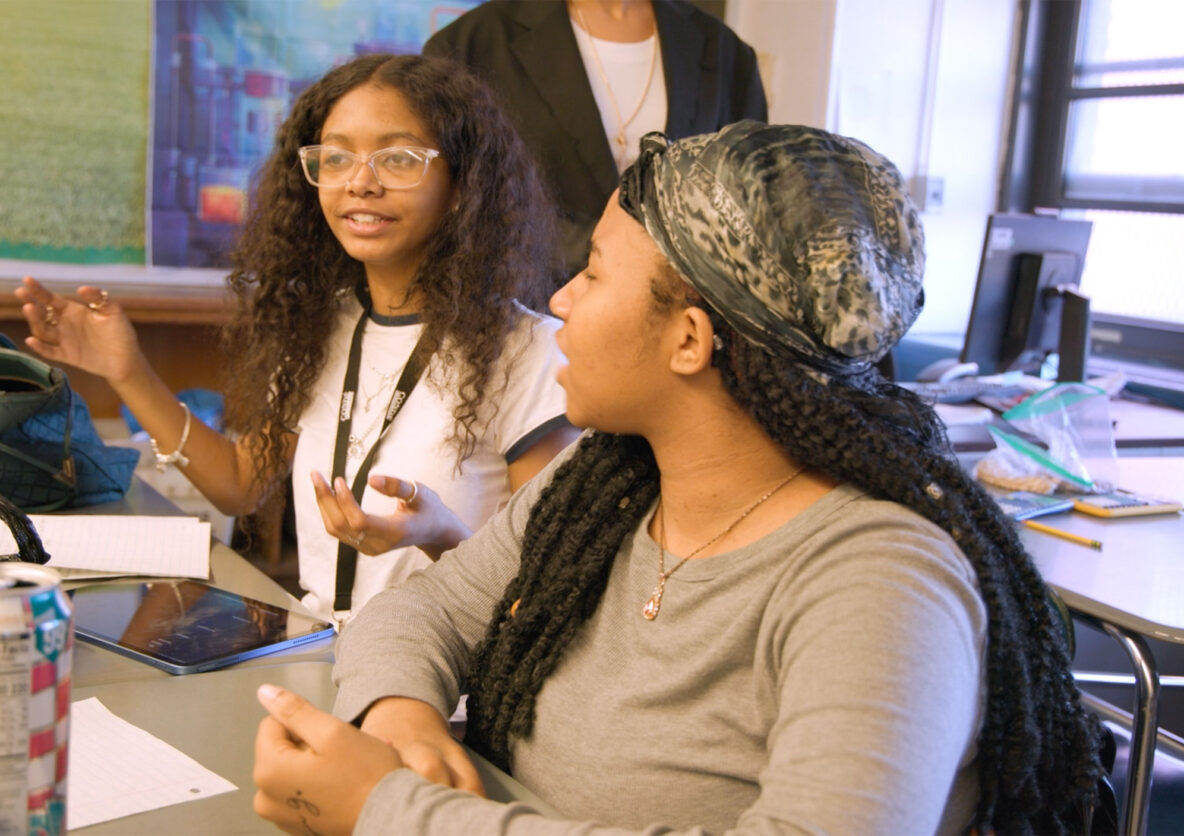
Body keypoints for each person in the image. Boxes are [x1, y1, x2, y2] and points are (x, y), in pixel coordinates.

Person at [250, 122, 1107, 834]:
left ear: (690, 340)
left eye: (591, 273)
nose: (560, 302)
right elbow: (422, 609)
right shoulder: (609, 485)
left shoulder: (881, 585)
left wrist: (389, 810)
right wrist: (403, 711)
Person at [14, 53, 577, 624]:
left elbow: (537, 593)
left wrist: (437, 534)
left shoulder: (531, 350)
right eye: (336, 157)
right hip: (315, 656)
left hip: (447, 682)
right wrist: (126, 370)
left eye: (399, 158)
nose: (361, 181)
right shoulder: (315, 327)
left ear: (463, 185)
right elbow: (239, 485)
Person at [423, 0, 767, 277]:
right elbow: (457, 205)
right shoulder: (470, 46)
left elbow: (745, 205)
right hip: (526, 320)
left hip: (678, 322)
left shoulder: (725, 53)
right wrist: (614, 250)